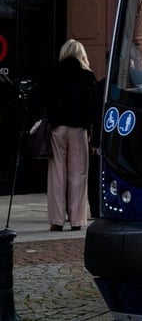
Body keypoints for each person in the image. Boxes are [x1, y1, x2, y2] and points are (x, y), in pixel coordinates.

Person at [46, 39, 97, 231]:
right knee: (79, 173)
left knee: (57, 174)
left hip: (58, 128)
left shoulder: (54, 73)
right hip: (79, 129)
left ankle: (57, 220)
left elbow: (43, 99)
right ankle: (77, 220)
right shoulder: (87, 75)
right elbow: (93, 107)